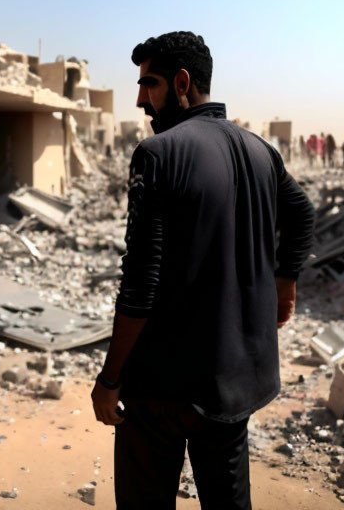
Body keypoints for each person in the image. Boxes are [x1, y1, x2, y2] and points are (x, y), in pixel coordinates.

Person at [91, 31, 315, 509]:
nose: (139, 100)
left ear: (182, 82)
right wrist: (286, 281)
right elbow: (302, 213)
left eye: (148, 84)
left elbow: (141, 281)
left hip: (163, 389)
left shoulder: (158, 154)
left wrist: (110, 378)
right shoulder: (261, 151)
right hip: (234, 385)